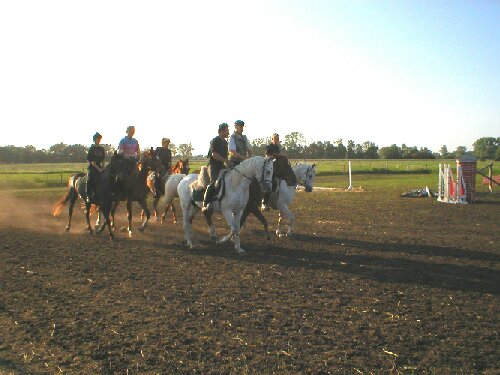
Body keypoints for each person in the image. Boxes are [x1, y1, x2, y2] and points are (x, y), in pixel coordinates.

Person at [202, 123, 230, 213]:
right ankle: (206, 203)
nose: (228, 132)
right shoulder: (215, 141)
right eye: (227, 130)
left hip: (221, 165)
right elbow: (214, 155)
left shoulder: (225, 142)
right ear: (222, 131)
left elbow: (225, 156)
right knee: (213, 182)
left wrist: (228, 163)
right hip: (213, 165)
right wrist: (226, 160)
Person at [262, 133, 290, 211]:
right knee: (271, 183)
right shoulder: (268, 147)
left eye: (278, 139)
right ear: (272, 139)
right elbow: (267, 157)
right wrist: (277, 156)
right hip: (270, 168)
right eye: (275, 139)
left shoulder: (278, 148)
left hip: (277, 168)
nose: (277, 140)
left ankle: (281, 200)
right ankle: (264, 203)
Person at [86, 132, 105, 203]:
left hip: (100, 167)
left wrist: (103, 168)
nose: (99, 140)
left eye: (100, 139)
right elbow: (92, 161)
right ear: (94, 140)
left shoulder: (101, 149)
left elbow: (103, 159)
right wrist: (99, 169)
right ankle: (88, 195)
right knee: (89, 179)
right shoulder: (92, 148)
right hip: (92, 167)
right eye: (97, 139)